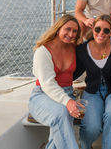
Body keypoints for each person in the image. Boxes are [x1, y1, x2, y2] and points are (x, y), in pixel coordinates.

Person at [28, 14, 83, 149]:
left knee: (59, 130)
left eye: (75, 31)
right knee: (61, 114)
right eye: (67, 29)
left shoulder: (74, 48)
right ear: (58, 28)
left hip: (68, 94)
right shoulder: (43, 52)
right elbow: (47, 84)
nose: (71, 34)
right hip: (42, 96)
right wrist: (68, 102)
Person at [74, 14, 111, 149]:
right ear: (93, 29)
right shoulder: (83, 49)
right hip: (92, 92)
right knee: (92, 128)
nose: (101, 33)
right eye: (97, 29)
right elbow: (72, 73)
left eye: (106, 30)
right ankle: (85, 146)